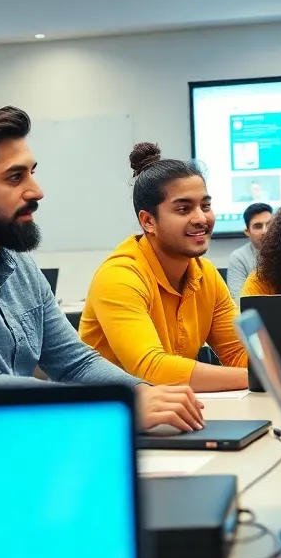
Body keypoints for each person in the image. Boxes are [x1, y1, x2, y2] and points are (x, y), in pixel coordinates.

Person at [0, 107, 202, 426]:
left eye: (32, 172)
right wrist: (117, 406)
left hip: (11, 445)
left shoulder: (17, 262)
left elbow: (75, 363)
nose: (36, 191)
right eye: (15, 177)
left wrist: (143, 392)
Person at [80, 144, 249, 391]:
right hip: (103, 419)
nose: (201, 218)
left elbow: (237, 354)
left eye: (205, 205)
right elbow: (152, 369)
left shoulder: (206, 274)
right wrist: (255, 378)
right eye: (183, 209)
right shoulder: (119, 276)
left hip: (169, 412)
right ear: (148, 221)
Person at [226, 202, 272, 301]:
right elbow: (239, 302)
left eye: (269, 224)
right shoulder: (238, 257)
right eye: (258, 226)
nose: (265, 231)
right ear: (247, 232)